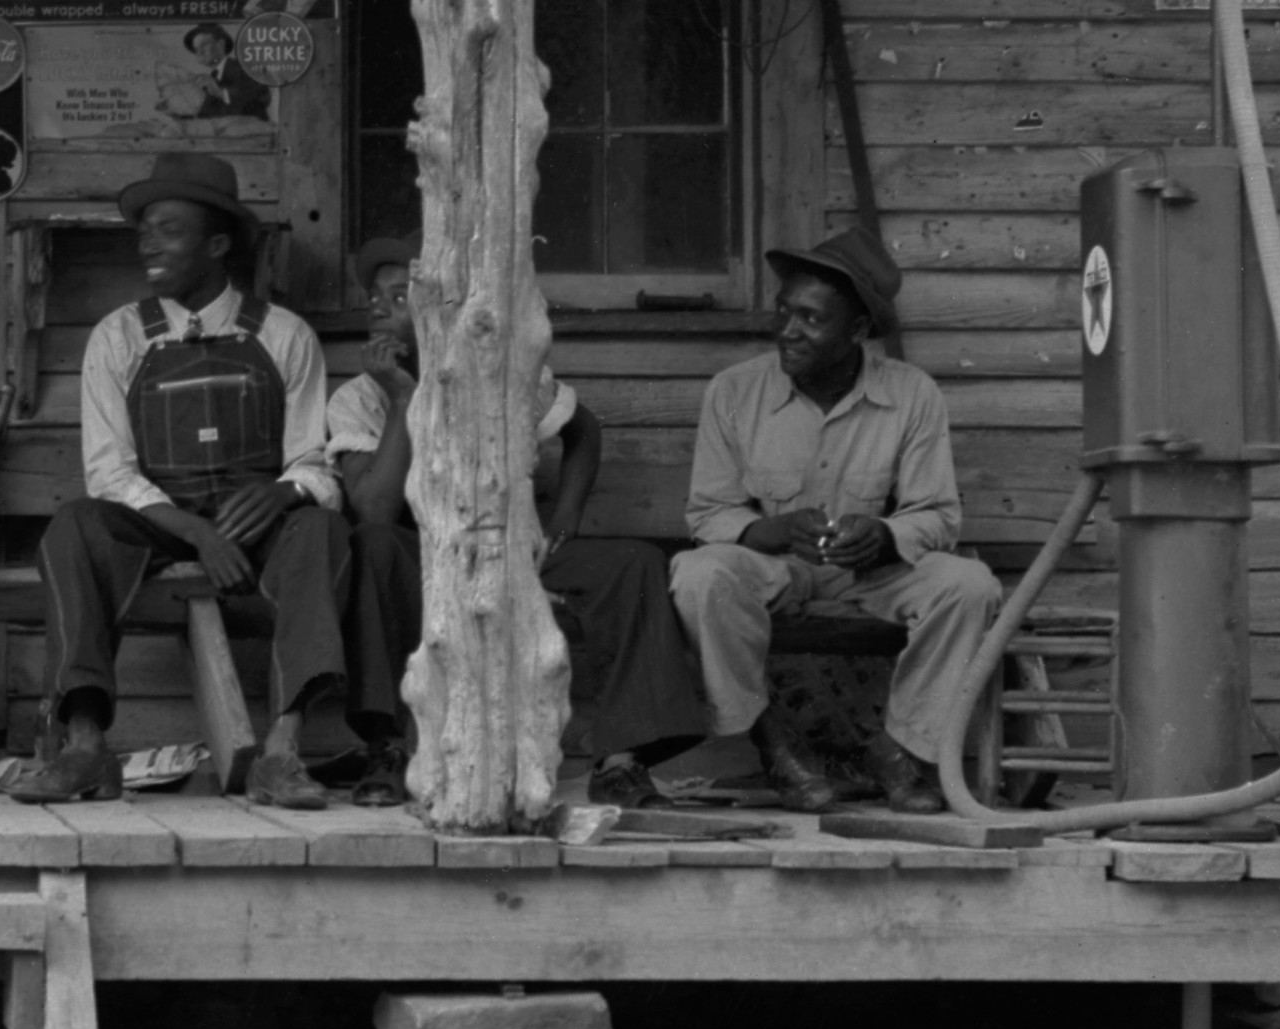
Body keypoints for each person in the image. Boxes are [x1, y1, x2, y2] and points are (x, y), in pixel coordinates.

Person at [24, 152, 361, 808]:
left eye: (168, 230)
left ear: (217, 244)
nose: (148, 242)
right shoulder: (120, 337)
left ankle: (281, 751)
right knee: (74, 527)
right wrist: (195, 533)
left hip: (254, 524)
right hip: (158, 521)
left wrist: (284, 492)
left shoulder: (285, 336)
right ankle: (87, 746)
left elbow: (314, 464)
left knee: (320, 530)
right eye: (144, 229)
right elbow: (109, 472)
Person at [328, 238, 712, 803]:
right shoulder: (359, 399)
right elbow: (376, 507)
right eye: (373, 299)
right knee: (374, 543)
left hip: (514, 553)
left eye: (399, 296)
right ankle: (386, 749)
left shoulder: (500, 371)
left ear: (441, 305)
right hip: (423, 564)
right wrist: (403, 397)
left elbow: (584, 430)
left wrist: (564, 523)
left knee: (633, 564)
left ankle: (622, 762)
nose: (378, 308)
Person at [667, 228, 997, 814]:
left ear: (858, 332)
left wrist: (887, 535)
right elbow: (708, 512)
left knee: (969, 586)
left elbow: (938, 513)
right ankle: (776, 747)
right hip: (774, 569)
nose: (788, 332)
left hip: (872, 576)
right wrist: (770, 530)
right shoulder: (733, 392)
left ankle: (899, 752)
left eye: (812, 320)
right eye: (784, 312)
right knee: (698, 574)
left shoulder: (913, 394)